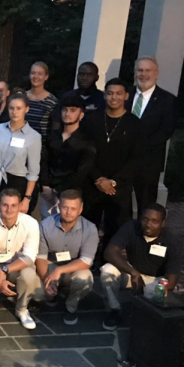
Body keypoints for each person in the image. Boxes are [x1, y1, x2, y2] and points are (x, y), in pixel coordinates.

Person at [81, 78, 144, 243]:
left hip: (119, 188)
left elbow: (136, 158)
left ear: (126, 96)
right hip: (92, 185)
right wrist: (98, 179)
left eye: (118, 93)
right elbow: (84, 153)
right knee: (87, 228)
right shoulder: (91, 120)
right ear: (104, 96)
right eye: (109, 93)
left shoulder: (134, 124)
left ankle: (109, 264)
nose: (113, 97)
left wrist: (114, 182)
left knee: (116, 232)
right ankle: (87, 262)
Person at [100, 203, 181, 330]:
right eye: (145, 219)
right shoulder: (131, 227)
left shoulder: (172, 240)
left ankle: (149, 312)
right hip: (133, 274)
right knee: (107, 270)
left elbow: (172, 281)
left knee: (149, 313)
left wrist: (152, 290)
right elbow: (109, 252)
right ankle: (115, 310)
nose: (148, 224)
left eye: (155, 221)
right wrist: (133, 272)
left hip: (156, 281)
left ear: (163, 223)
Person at [0, 188, 41, 330]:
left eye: (14, 205)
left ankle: (22, 309)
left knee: (29, 274)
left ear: (20, 206)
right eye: (5, 205)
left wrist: (4, 270)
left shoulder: (31, 224)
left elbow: (30, 257)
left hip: (17, 264)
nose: (9, 209)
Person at [34, 190, 97, 326]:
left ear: (80, 210)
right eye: (65, 207)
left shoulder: (90, 229)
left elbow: (86, 261)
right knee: (37, 291)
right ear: (59, 207)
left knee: (84, 279)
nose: (68, 212)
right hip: (51, 263)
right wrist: (46, 278)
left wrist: (60, 270)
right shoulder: (45, 225)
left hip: (74, 267)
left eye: (73, 208)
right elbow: (40, 257)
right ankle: (52, 296)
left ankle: (71, 307)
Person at [126, 56, 176, 217]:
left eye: (148, 70)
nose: (143, 74)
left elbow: (166, 131)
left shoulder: (167, 100)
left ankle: (143, 238)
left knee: (146, 204)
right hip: (122, 160)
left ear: (156, 73)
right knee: (119, 203)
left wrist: (138, 145)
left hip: (149, 162)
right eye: (140, 70)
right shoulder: (124, 94)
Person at [0, 93, 43, 215]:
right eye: (11, 108)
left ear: (26, 109)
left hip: (17, 183)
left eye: (19, 108)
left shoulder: (34, 136)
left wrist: (27, 198)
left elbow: (33, 171)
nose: (15, 112)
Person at [39, 95, 96, 217]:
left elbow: (81, 172)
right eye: (65, 110)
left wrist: (57, 190)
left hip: (70, 193)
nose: (67, 114)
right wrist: (45, 186)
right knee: (45, 226)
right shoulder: (53, 135)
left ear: (81, 115)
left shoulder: (87, 141)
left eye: (73, 110)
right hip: (47, 190)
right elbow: (44, 161)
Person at [26, 61, 60, 136]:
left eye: (40, 74)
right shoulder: (22, 97)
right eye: (33, 73)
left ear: (46, 77)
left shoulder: (52, 101)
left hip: (41, 144)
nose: (35, 76)